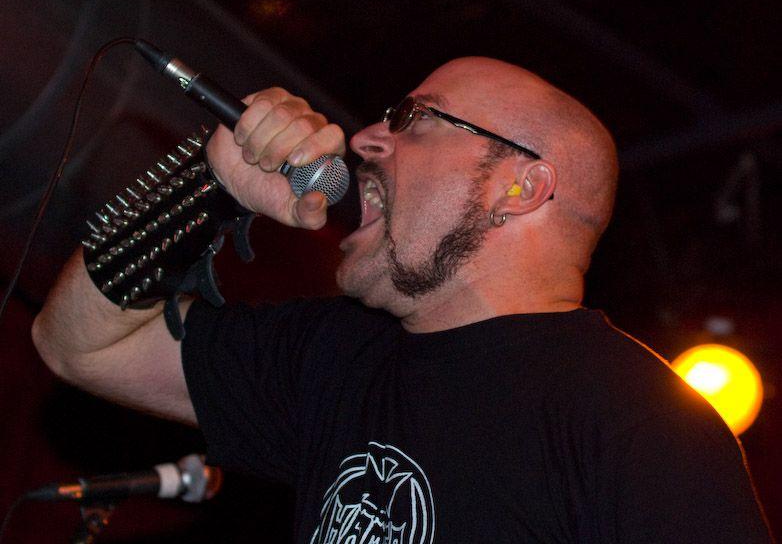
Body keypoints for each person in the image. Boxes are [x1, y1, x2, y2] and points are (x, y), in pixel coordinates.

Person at [32, 57, 771, 542]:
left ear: (521, 187)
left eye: (415, 119)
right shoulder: (334, 356)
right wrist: (208, 189)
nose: (365, 139)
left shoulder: (642, 421)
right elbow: (77, 345)